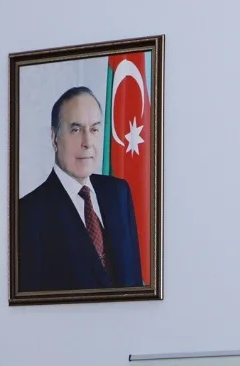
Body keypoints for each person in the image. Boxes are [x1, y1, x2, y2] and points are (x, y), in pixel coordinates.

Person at [16, 87, 144, 292]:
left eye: (94, 129)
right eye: (76, 130)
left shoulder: (119, 193)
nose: (87, 143)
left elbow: (135, 283)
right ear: (54, 138)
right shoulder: (27, 213)